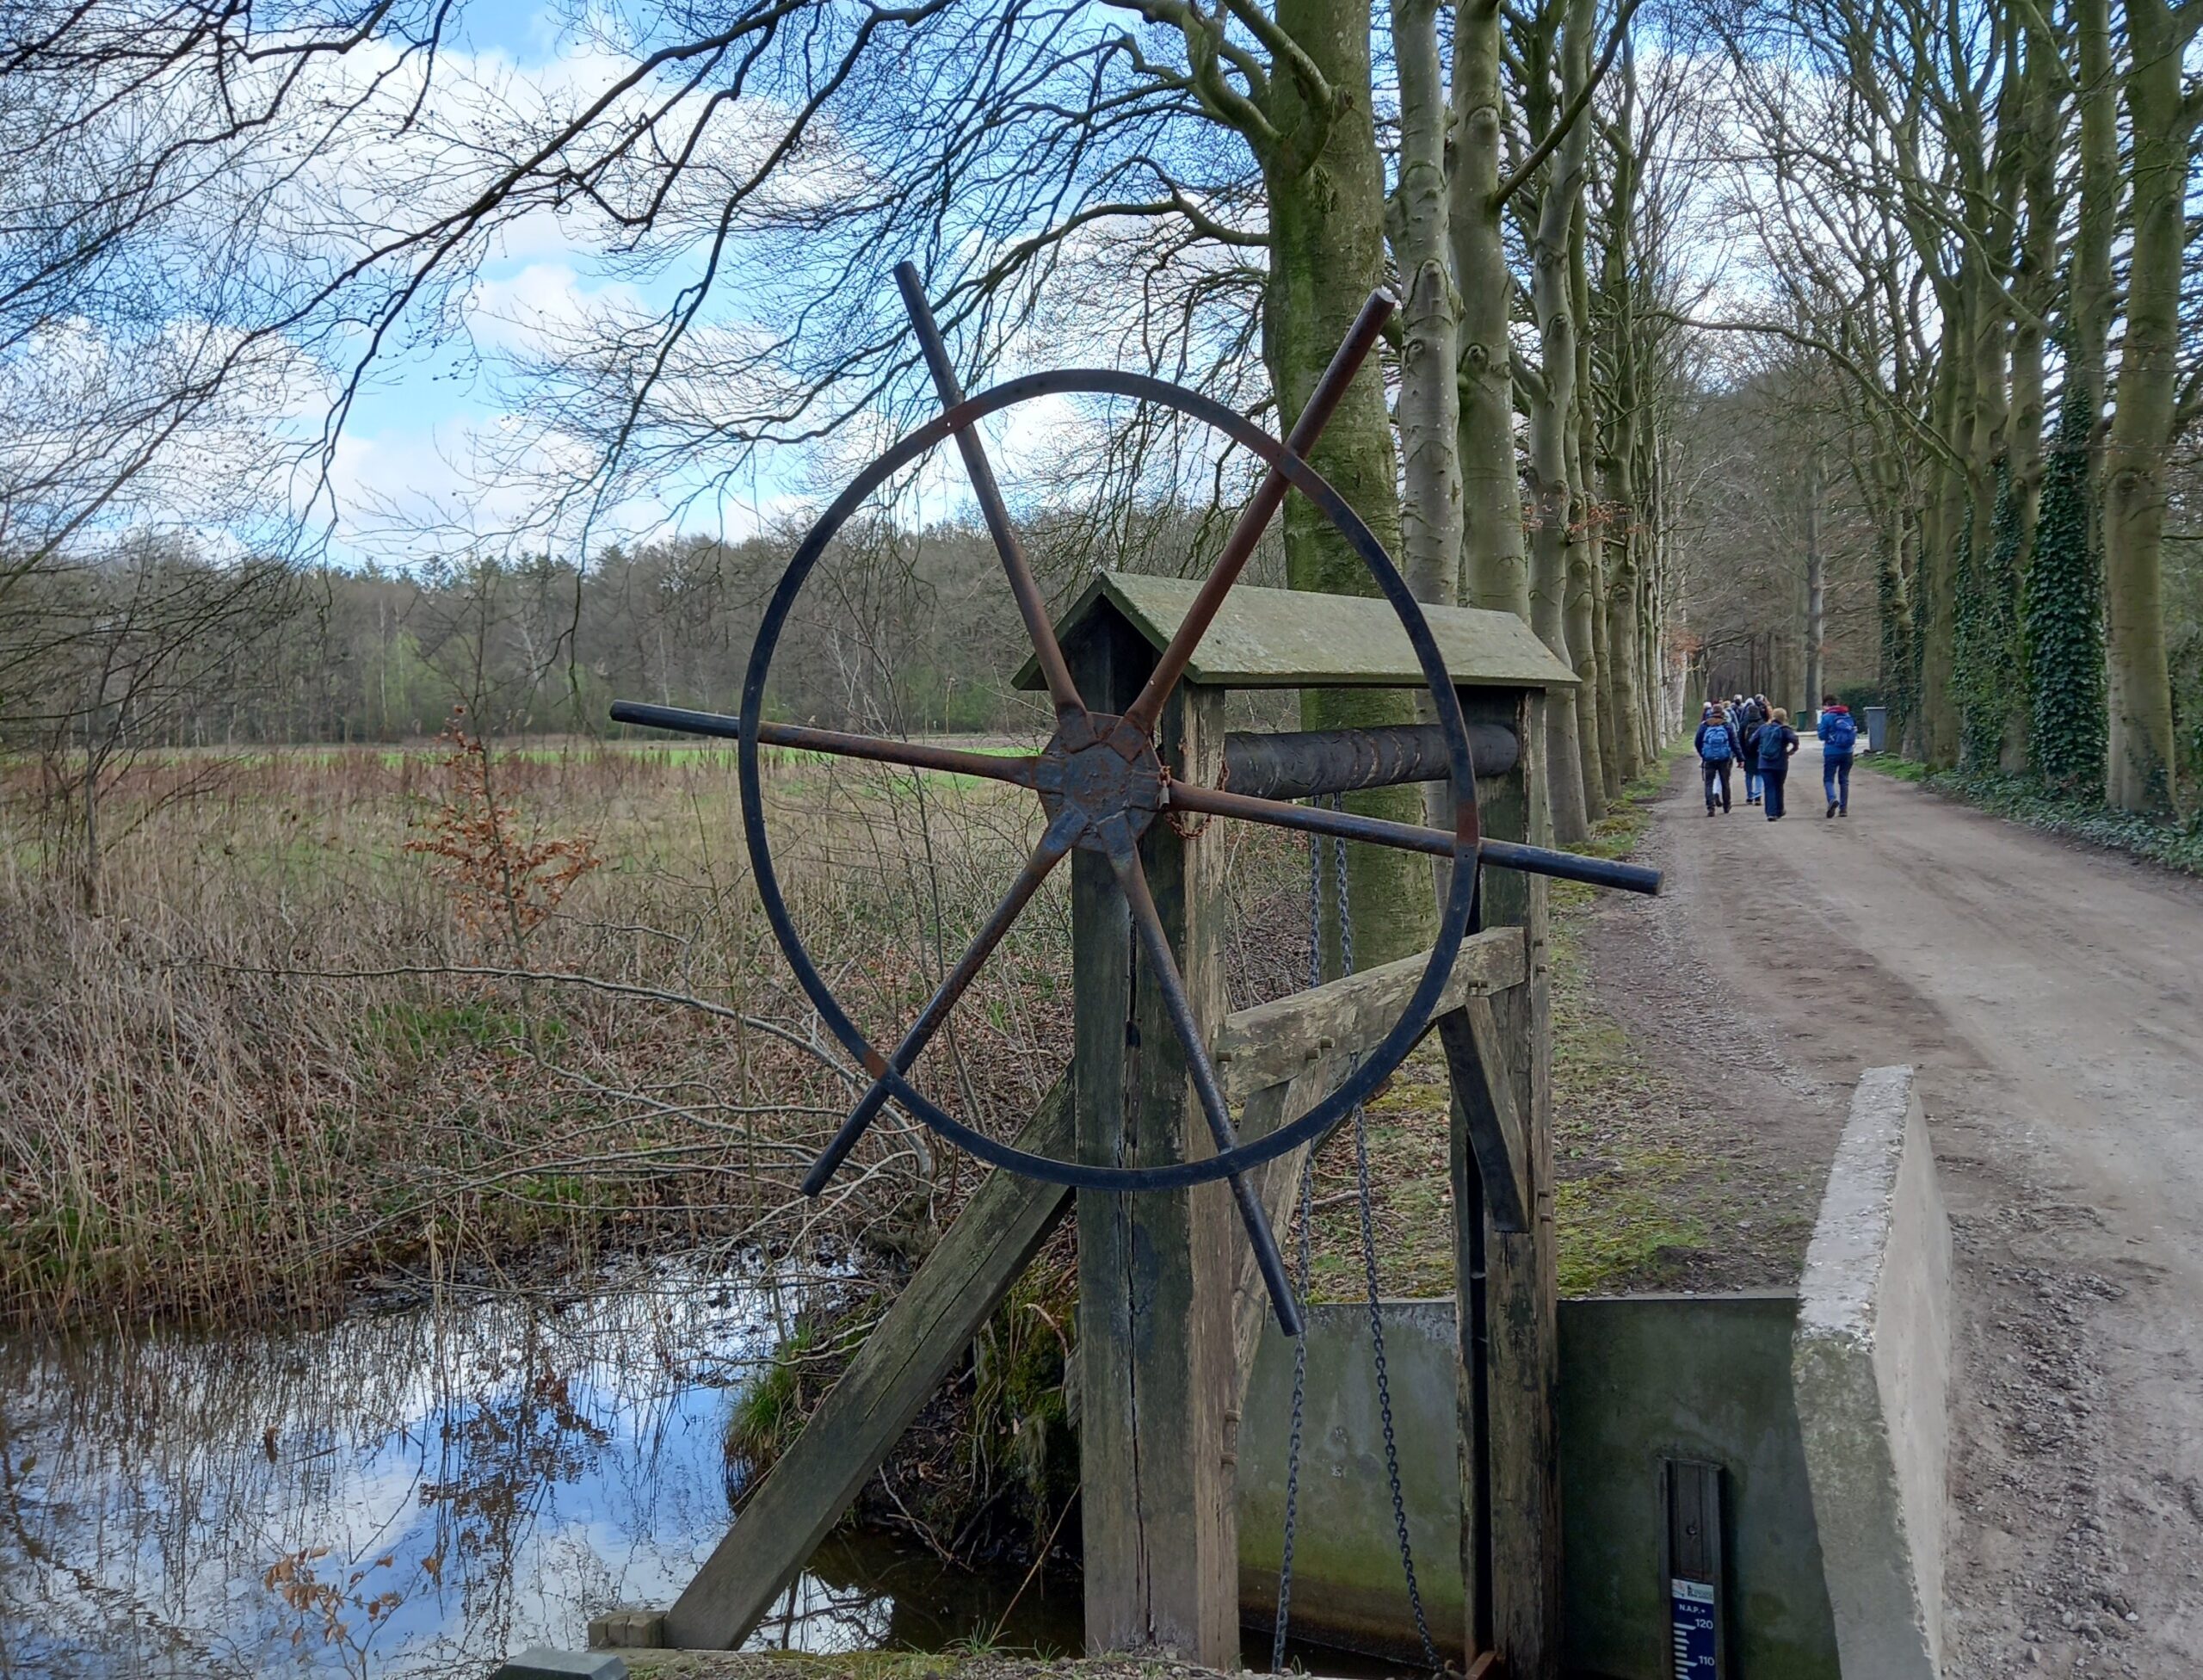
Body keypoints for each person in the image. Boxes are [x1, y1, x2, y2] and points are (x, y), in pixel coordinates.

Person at [1752, 706, 1799, 820]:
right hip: (1780, 763)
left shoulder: (1763, 728)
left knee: (1769, 787)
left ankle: (1770, 813)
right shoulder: (1785, 730)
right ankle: (1779, 810)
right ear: (1784, 718)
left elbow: (1752, 741)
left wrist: (1759, 750)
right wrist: (1792, 750)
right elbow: (1795, 740)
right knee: (1779, 786)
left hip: (1764, 763)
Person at [1817, 695, 1858, 818]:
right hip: (1848, 752)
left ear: (1826, 705)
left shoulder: (1827, 717)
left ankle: (1832, 799)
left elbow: (1822, 736)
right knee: (1844, 780)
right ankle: (1843, 809)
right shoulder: (1846, 715)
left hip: (1831, 752)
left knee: (1828, 779)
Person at [1695, 703, 1738, 814]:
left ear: (1711, 712)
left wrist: (1703, 754)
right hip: (1724, 758)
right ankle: (1726, 806)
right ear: (1722, 713)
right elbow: (1734, 743)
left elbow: (1697, 742)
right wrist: (1740, 758)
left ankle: (1711, 807)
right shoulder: (1727, 725)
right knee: (1725, 782)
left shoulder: (1705, 725)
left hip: (1709, 759)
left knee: (1709, 783)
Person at [1732, 693, 1765, 804]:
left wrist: (1740, 755)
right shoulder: (1762, 724)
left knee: (1748, 775)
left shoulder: (1743, 723)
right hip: (1759, 753)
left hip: (1747, 753)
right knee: (1759, 774)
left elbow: (1739, 739)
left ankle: (1749, 796)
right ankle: (1758, 795)